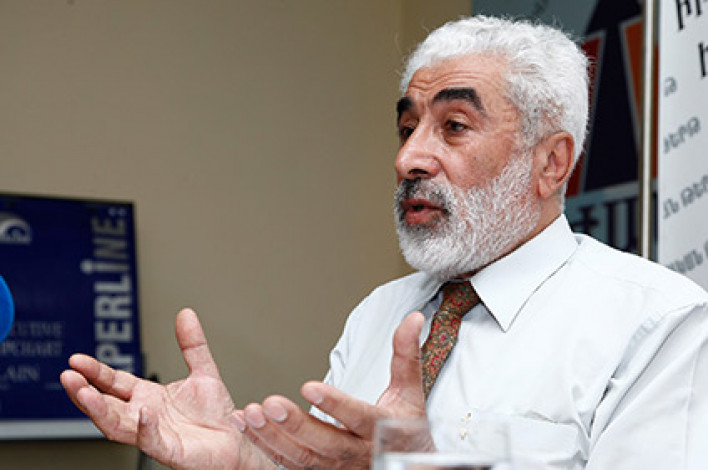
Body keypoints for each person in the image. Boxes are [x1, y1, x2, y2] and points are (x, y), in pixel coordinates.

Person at [61, 15, 708, 470]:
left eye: (454, 126)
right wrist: (245, 461)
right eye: (407, 127)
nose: (409, 159)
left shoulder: (657, 325)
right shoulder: (380, 313)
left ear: (551, 162)